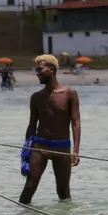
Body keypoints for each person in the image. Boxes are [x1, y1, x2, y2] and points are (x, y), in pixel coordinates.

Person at [19, 54, 81, 204]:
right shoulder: (36, 97)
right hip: (39, 145)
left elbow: (76, 122)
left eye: (40, 69)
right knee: (29, 186)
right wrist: (26, 149)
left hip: (62, 147)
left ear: (51, 69)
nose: (37, 73)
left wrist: (76, 150)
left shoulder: (69, 93)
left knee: (63, 191)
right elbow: (32, 124)